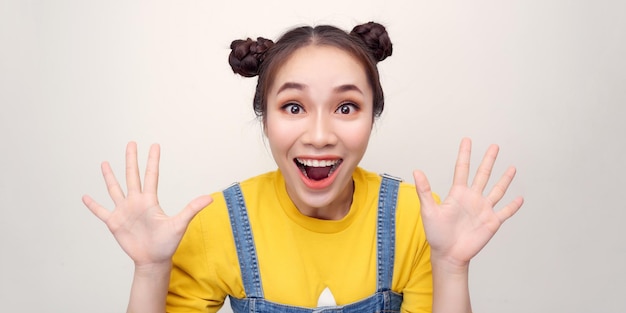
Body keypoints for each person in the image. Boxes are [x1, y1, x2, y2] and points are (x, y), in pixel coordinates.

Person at [82, 21, 524, 313]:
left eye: (346, 107)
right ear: (265, 117)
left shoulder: (418, 220)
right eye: (293, 106)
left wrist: (449, 265)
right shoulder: (218, 223)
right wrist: (150, 271)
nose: (318, 134)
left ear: (374, 116)